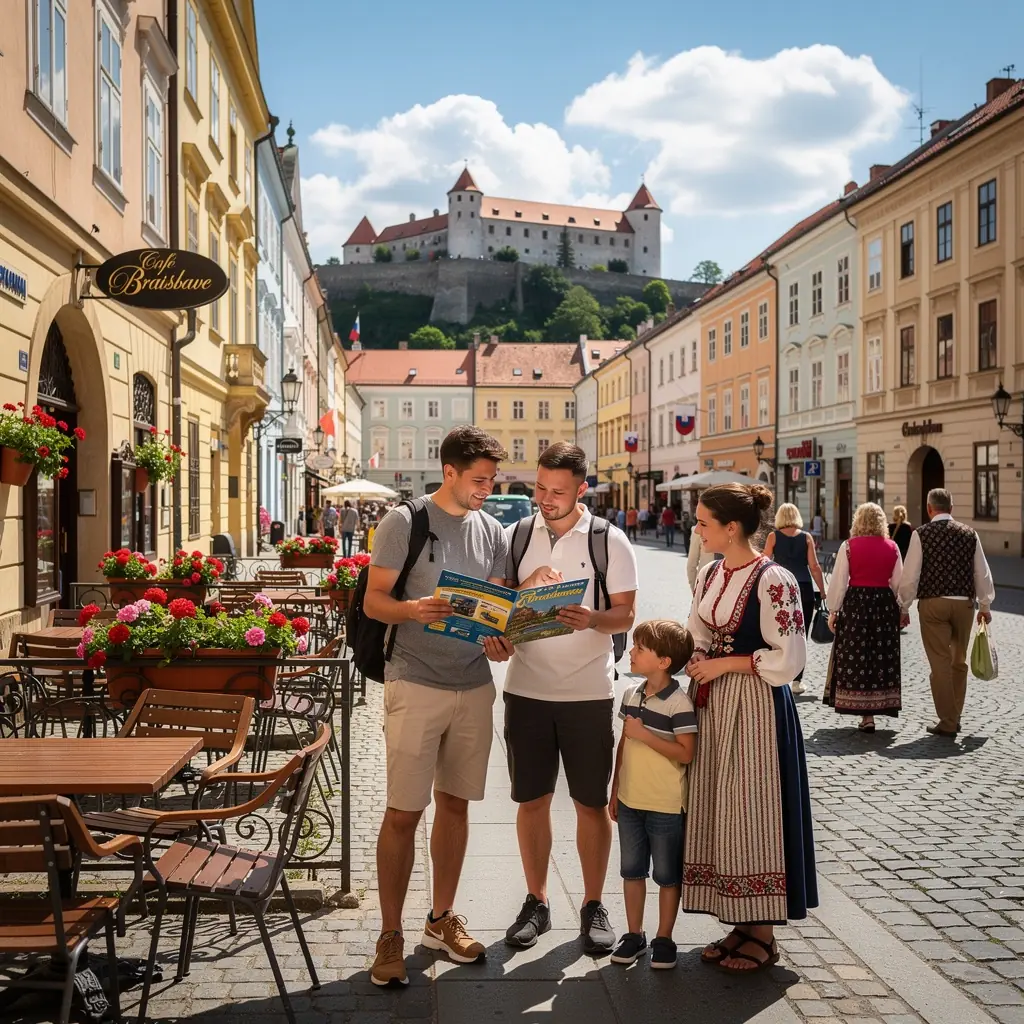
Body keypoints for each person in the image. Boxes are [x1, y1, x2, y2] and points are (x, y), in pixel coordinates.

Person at [364, 426, 512, 987]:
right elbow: (374, 601)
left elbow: (494, 609)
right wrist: (413, 609)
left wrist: (503, 638)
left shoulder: (492, 531)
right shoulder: (404, 522)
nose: (487, 489)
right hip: (415, 680)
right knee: (404, 812)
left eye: (492, 480)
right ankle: (390, 934)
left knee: (456, 807)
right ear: (449, 472)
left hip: (473, 683)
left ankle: (440, 920)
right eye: (479, 479)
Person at [499, 443, 638, 955]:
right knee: (531, 801)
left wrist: (593, 618)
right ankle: (536, 901)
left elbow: (626, 614)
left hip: (588, 692)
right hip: (526, 689)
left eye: (557, 491)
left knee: (590, 803)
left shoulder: (608, 539)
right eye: (540, 487)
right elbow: (499, 608)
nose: (546, 498)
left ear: (581, 489)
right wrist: (519, 598)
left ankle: (593, 904)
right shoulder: (516, 535)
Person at [684, 483, 816, 972]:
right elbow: (698, 628)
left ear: (731, 527)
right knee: (721, 807)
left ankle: (763, 934)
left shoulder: (774, 579)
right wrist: (698, 654)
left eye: (703, 523)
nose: (697, 530)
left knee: (752, 808)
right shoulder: (710, 573)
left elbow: (789, 657)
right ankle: (740, 922)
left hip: (756, 705)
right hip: (714, 704)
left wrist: (724, 664)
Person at [609, 620, 696, 970]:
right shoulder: (631, 694)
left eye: (639, 648)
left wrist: (645, 735)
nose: (630, 651)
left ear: (663, 661)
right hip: (630, 800)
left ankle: (664, 937)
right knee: (631, 871)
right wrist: (615, 788)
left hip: (665, 805)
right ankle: (634, 934)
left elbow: (686, 753)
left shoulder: (679, 703)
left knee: (666, 875)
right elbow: (624, 743)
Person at [898, 488, 995, 737]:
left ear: (929, 509)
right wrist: (985, 606)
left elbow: (911, 575)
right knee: (958, 661)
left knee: (939, 662)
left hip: (933, 603)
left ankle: (948, 720)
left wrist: (903, 606)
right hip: (964, 604)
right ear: (951, 508)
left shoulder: (921, 534)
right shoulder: (969, 533)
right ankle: (955, 715)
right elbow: (981, 572)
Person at [823, 503, 903, 732]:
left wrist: (833, 610)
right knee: (880, 655)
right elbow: (899, 582)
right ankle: (874, 710)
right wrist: (901, 608)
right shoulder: (892, 547)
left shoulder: (849, 546)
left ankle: (864, 713)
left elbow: (839, 582)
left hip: (856, 604)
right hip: (884, 606)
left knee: (856, 654)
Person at [763, 503, 827, 695]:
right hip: (804, 589)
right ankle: (797, 681)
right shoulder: (806, 537)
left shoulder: (773, 536)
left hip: (780, 589)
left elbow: (764, 562)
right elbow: (814, 566)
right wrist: (822, 590)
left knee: (777, 632)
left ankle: (777, 676)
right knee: (801, 635)